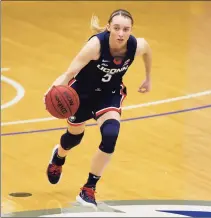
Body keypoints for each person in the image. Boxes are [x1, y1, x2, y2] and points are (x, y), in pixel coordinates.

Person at [44, 9, 152, 208]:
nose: (121, 33)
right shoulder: (95, 45)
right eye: (117, 28)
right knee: (73, 138)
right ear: (109, 27)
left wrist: (148, 77)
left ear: (131, 30)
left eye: (126, 29)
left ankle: (88, 188)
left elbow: (147, 51)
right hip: (81, 95)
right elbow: (70, 72)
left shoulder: (136, 45)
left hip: (109, 94)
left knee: (111, 135)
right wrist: (52, 90)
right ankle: (59, 157)